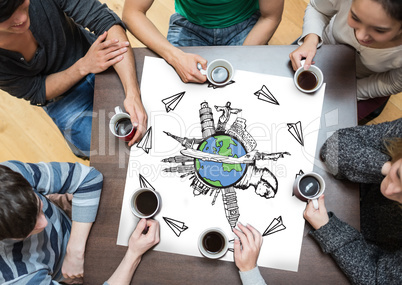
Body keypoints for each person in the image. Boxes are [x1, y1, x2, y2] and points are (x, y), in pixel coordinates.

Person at [0, 0, 147, 159]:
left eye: (22, 4)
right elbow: (37, 90)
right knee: (108, 152)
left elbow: (104, 21)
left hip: (95, 53)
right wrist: (83, 66)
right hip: (62, 97)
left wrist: (132, 93)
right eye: (5, 17)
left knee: (149, 105)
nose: (21, 18)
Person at [0, 160, 160, 284]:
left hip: (72, 233)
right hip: (71, 273)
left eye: (39, 208)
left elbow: (89, 178)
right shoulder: (16, 278)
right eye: (30, 229)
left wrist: (74, 251)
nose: (44, 223)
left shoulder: (11, 175)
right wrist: (133, 254)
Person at [303, 118, 402, 284]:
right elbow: (334, 147)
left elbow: (377, 279)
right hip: (350, 196)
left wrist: (329, 230)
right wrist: (385, 168)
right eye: (399, 174)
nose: (389, 191)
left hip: (369, 246)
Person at [289, 0, 402, 121]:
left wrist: (350, 92)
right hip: (322, 48)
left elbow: (393, 82)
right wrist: (311, 39)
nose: (360, 36)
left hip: (366, 82)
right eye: (355, 17)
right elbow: (318, 8)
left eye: (379, 30)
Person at [122, 0, 284, 84]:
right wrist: (175, 57)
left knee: (249, 87)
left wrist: (242, 59)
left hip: (245, 24)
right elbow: (132, 13)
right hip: (189, 25)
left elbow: (270, 17)